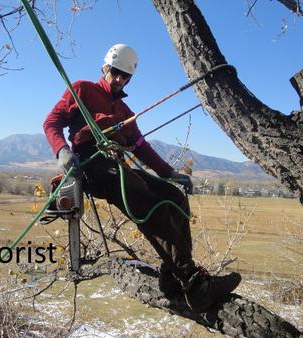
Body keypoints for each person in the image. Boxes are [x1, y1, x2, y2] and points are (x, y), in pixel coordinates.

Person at [43, 43, 241, 312]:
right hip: (93, 167)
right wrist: (62, 151)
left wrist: (169, 173)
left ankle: (172, 278)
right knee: (152, 206)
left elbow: (140, 146)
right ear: (105, 68)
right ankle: (195, 285)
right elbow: (52, 122)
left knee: (174, 198)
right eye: (115, 72)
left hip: (117, 165)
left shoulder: (125, 112)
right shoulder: (82, 90)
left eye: (125, 76)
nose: (119, 79)